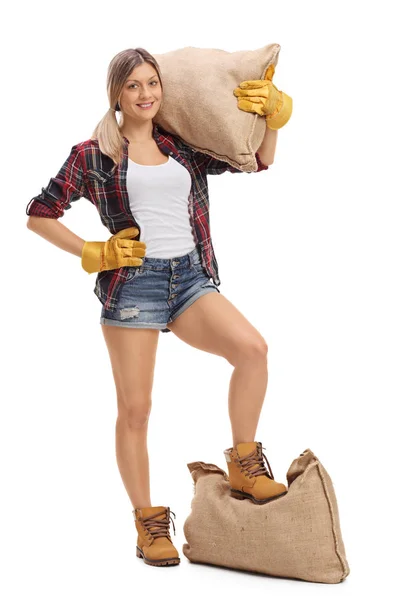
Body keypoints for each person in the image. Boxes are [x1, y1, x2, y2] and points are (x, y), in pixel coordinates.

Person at [26, 47, 290, 568]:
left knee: (253, 350)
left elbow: (256, 160)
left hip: (190, 277)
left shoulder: (181, 146)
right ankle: (148, 525)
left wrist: (274, 118)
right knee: (136, 409)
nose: (146, 94)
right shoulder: (93, 153)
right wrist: (91, 251)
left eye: (152, 83)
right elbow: (40, 213)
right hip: (134, 285)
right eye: (133, 86)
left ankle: (244, 464)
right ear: (117, 94)